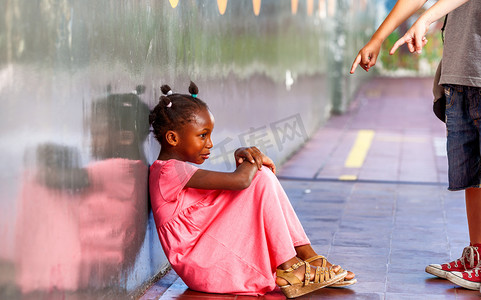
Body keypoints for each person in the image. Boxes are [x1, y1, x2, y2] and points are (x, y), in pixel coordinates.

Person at [148, 82, 356, 298]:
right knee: (259, 177)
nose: (210, 143)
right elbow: (241, 181)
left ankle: (305, 256)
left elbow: (235, 186)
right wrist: (248, 155)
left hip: (209, 251)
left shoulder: (176, 170)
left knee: (260, 176)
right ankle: (291, 265)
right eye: (203, 135)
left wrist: (246, 157)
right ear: (173, 138)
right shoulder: (169, 172)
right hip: (203, 264)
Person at [351, 0, 481, 292]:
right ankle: (478, 254)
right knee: (473, 176)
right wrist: (378, 38)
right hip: (462, 69)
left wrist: (426, 18)